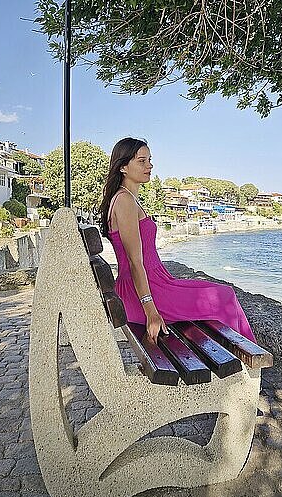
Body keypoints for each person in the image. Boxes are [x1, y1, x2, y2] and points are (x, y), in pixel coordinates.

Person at [99, 137, 257, 345]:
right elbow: (134, 261)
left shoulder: (127, 198)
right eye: (141, 161)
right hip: (145, 293)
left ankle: (244, 354)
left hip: (158, 282)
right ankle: (246, 358)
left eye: (150, 160)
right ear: (123, 167)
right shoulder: (124, 201)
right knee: (225, 297)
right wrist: (151, 312)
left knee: (222, 293)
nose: (150, 165)